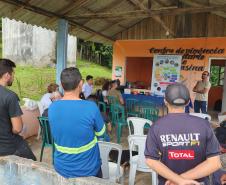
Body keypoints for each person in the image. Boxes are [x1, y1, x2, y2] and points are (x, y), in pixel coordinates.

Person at [145, 83, 221, 185]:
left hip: (168, 182)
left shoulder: (156, 126)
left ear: (165, 101)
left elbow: (151, 160)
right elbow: (214, 163)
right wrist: (181, 179)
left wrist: (177, 180)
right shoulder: (204, 125)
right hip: (196, 183)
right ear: (188, 102)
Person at [48, 67, 105, 178]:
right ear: (81, 83)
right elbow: (101, 133)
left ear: (61, 84)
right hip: (89, 169)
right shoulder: (91, 107)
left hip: (61, 168)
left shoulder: (52, 107)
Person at [0, 59, 36, 160]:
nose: (13, 77)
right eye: (13, 74)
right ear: (7, 75)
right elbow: (17, 128)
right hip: (8, 147)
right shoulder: (10, 96)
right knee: (32, 165)